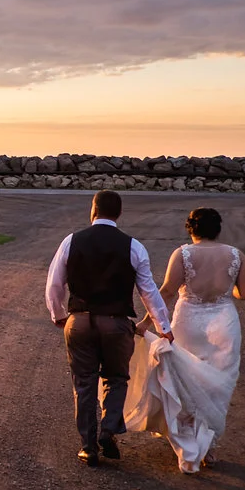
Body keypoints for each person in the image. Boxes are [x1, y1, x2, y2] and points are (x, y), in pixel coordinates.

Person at [46, 190, 174, 467]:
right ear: (118, 214)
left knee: (84, 383)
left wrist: (58, 314)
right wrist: (164, 326)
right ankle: (108, 429)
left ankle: (87, 447)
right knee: (116, 379)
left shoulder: (71, 241)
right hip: (116, 323)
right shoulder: (133, 246)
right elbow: (148, 291)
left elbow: (54, 284)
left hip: (79, 320)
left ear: (93, 211)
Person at [126, 207, 245, 473]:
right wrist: (226, 292)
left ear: (191, 229)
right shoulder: (236, 255)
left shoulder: (182, 254)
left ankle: (187, 439)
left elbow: (167, 292)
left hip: (187, 322)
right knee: (217, 385)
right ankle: (211, 446)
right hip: (223, 323)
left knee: (184, 380)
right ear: (218, 229)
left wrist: (145, 324)